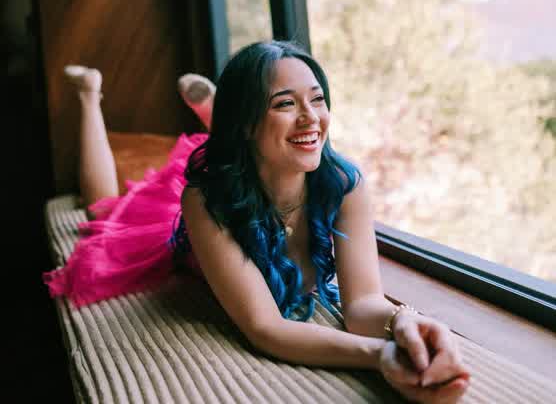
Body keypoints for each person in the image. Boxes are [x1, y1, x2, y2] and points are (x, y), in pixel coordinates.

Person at [44, 40, 470, 403]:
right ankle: (89, 94)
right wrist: (378, 356)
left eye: (317, 99)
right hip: (211, 205)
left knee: (265, 149)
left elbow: (362, 305)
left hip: (252, 159)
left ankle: (218, 116)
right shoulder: (204, 200)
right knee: (104, 209)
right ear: (247, 122)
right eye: (286, 103)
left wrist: (404, 322)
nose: (312, 117)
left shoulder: (344, 184)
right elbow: (265, 327)